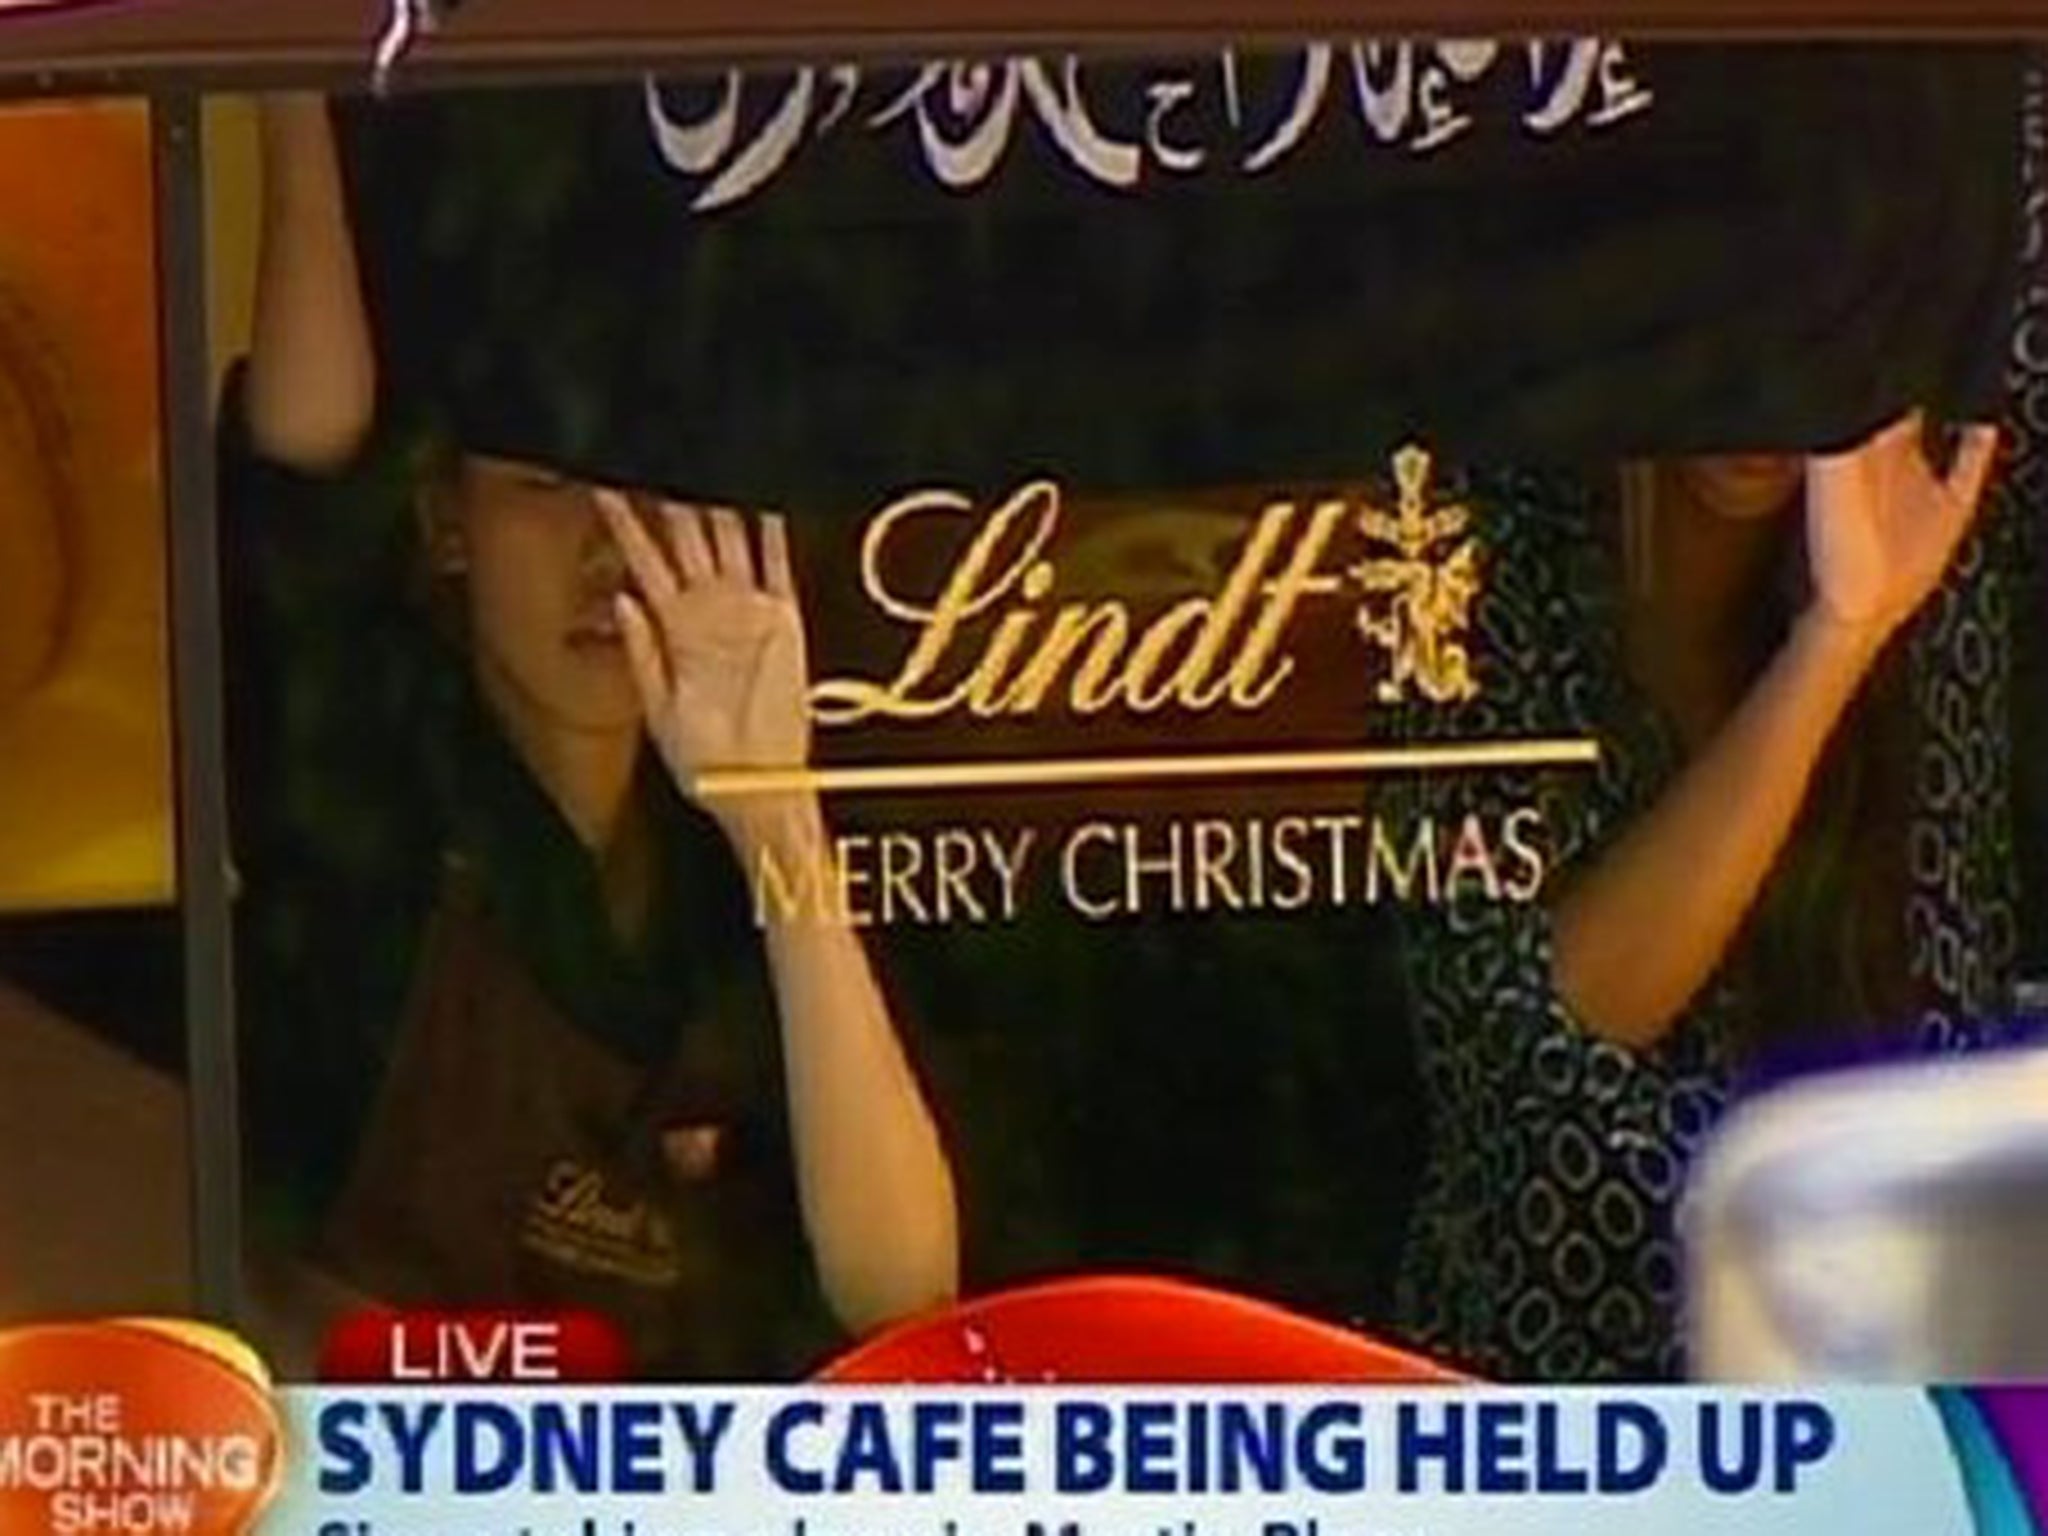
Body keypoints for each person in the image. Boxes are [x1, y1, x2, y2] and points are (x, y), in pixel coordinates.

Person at [225, 93, 957, 1377]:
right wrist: (294, 86)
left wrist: (774, 811)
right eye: (546, 491)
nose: (609, 551)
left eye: (655, 500)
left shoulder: (728, 883)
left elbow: (896, 1286)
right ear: (445, 525)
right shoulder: (374, 772)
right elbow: (306, 446)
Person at [1390, 424, 2003, 1382]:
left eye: (1803, 324)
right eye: (1731, 315)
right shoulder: (1483, 552)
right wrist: (1831, 647)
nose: (1766, 399)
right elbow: (1550, 1021)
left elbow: (1938, 1049)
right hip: (1542, 1427)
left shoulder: (1930, 536)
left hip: (1871, 1414)